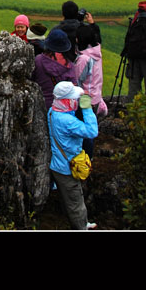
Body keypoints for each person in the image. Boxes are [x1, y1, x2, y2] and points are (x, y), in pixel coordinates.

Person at [47, 81, 99, 230]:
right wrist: (87, 107)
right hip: (68, 168)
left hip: (58, 164)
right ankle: (81, 227)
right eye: (74, 98)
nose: (77, 101)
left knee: (69, 199)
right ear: (66, 100)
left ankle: (79, 223)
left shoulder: (52, 111)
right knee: (76, 203)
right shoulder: (67, 121)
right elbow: (92, 131)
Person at [32, 29, 79, 111]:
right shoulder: (70, 66)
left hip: (39, 105)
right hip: (60, 109)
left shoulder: (38, 60)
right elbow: (73, 92)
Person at [73, 25, 106, 118]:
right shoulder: (96, 52)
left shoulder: (84, 58)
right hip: (96, 99)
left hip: (86, 102)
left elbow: (77, 81)